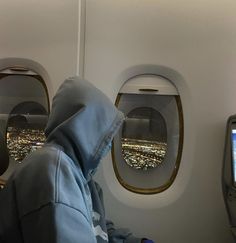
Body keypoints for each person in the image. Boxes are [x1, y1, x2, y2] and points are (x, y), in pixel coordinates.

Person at [0, 77, 154, 243]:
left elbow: (99, 230)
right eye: (106, 135)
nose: (109, 143)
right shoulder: (51, 171)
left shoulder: (84, 179)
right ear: (88, 128)